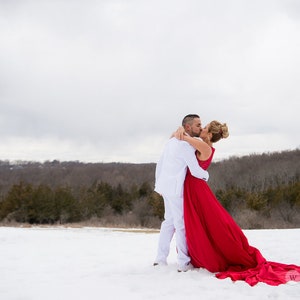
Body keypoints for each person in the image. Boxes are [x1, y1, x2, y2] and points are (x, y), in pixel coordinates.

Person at [174, 120, 300, 286]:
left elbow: (183, 137)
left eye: (204, 128)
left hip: (196, 189)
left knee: (207, 222)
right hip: (194, 187)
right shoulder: (202, 144)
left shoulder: (205, 146)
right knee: (202, 222)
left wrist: (182, 130)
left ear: (210, 135)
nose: (202, 129)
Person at [153, 114, 209, 272]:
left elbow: (160, 164)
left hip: (166, 187)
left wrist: (159, 185)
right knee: (180, 224)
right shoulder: (185, 146)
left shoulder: (171, 141)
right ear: (188, 127)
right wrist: (207, 176)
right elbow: (195, 170)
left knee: (169, 222)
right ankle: (184, 262)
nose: (200, 127)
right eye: (198, 125)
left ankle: (160, 259)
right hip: (176, 189)